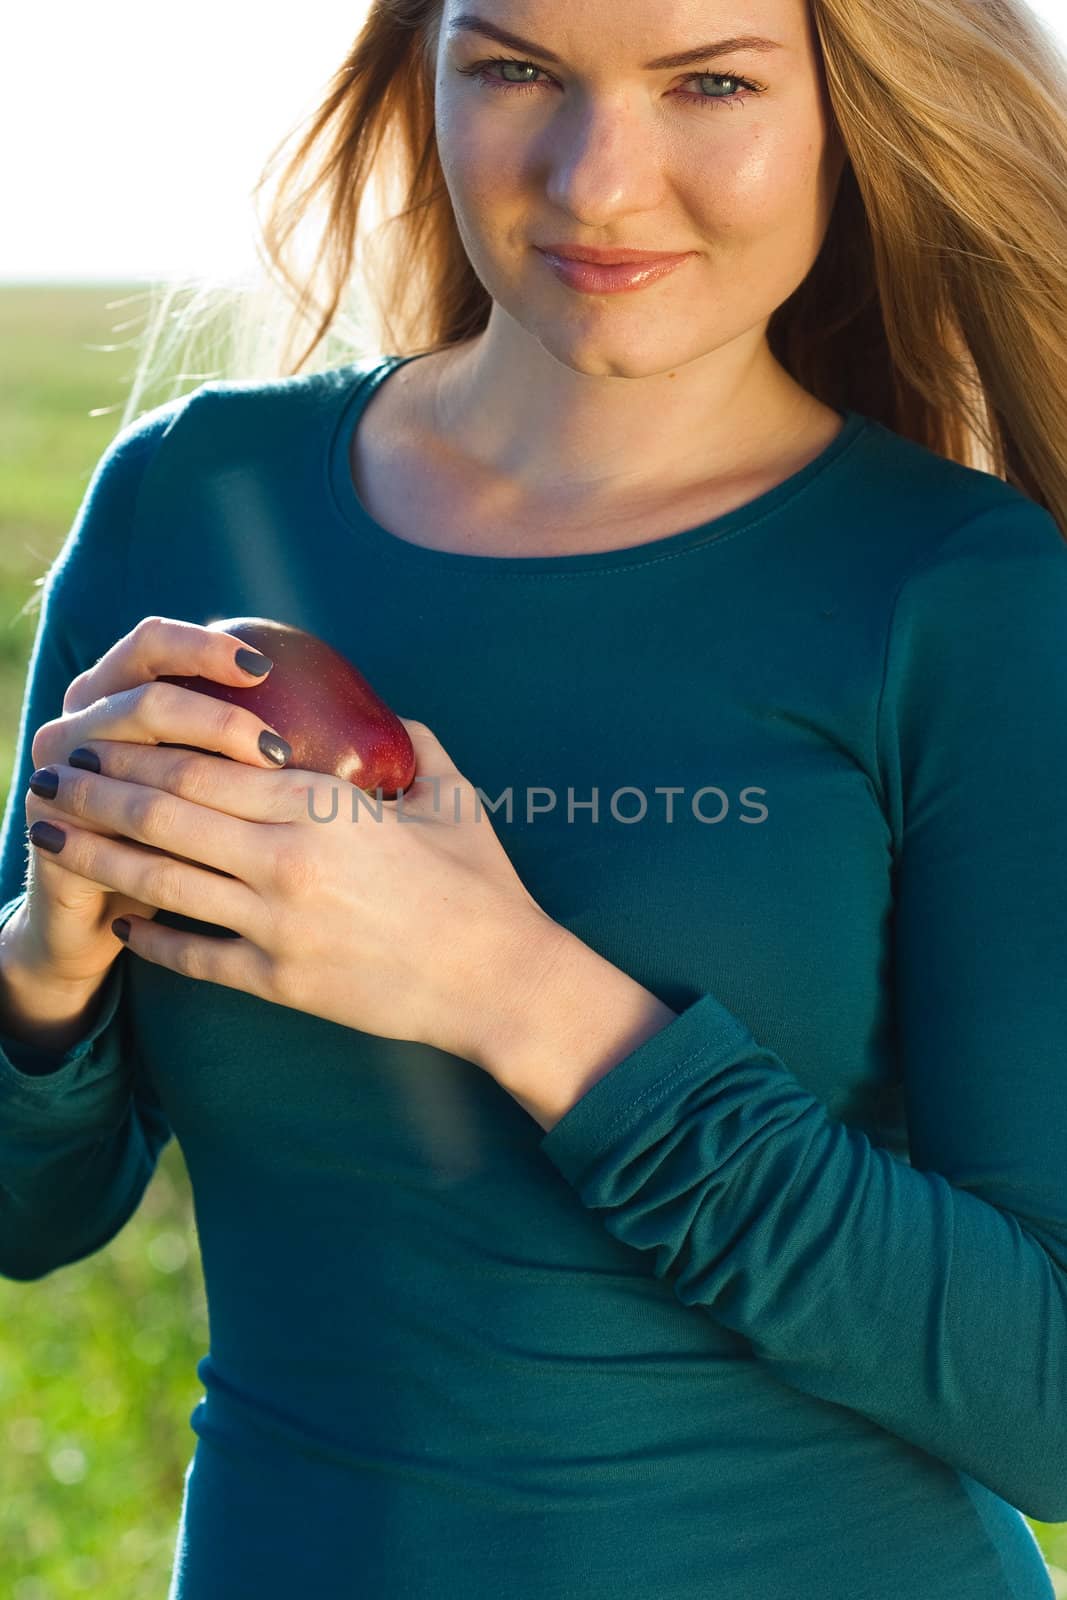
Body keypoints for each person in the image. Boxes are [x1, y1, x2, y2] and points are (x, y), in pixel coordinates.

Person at [1, 0, 1066, 1593]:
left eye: (709, 82)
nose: (596, 180)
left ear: (855, 101)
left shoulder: (960, 595)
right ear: (421, 67)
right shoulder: (194, 502)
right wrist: (46, 963)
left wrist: (512, 991)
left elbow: (1049, 1408)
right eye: (516, 70)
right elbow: (37, 1217)